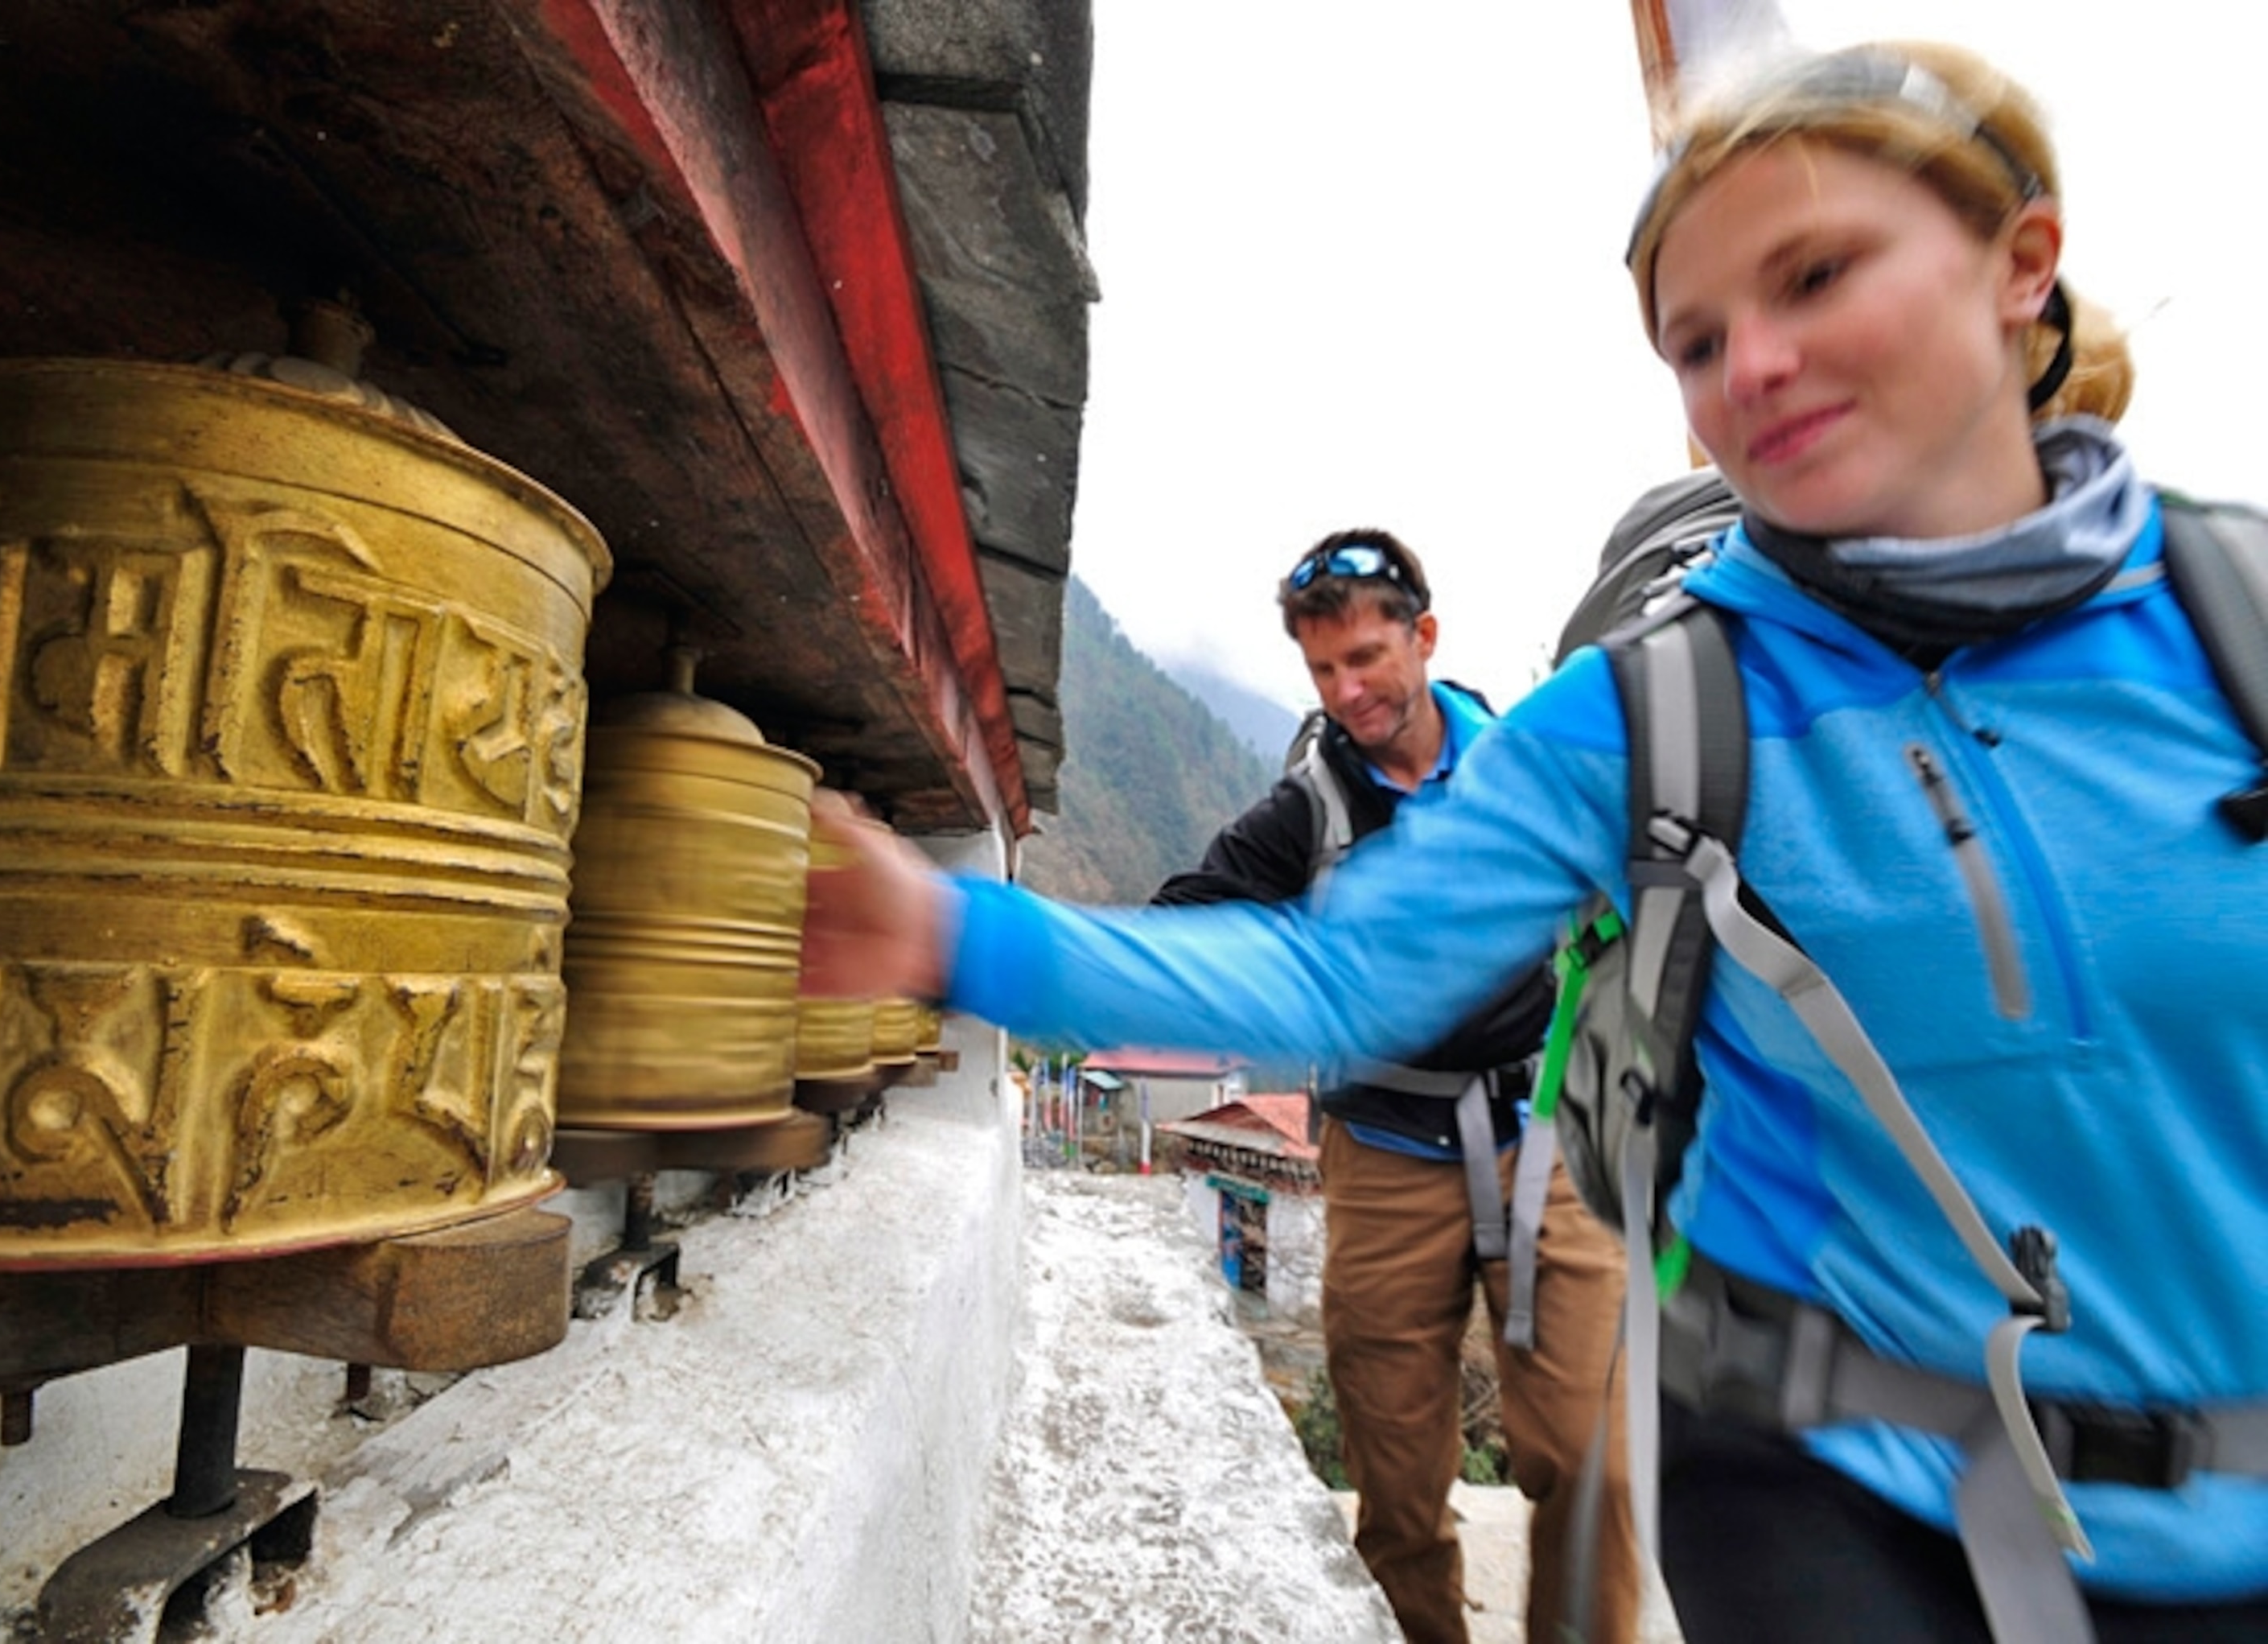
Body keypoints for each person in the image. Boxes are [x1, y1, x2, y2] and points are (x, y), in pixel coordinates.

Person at [805, 37, 2268, 1642]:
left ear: (2022, 264)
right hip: (1833, 1478)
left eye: (1816, 274)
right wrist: (957, 935)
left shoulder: (2233, 627)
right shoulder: (1647, 713)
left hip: (2212, 1495)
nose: (1751, 368)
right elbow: (1337, 977)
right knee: (1400, 1447)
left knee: (1574, 1451)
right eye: (1696, 339)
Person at [1150, 527, 1635, 1644]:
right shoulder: (1308, 813)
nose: (1349, 690)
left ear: (1424, 636)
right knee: (1398, 1481)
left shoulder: (1527, 767)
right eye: (1323, 670)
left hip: (1546, 1144)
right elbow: (1184, 917)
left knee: (1589, 1458)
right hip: (1383, 1160)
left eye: (1368, 657)